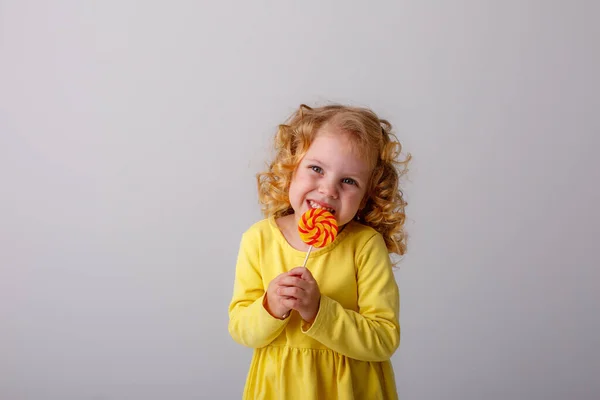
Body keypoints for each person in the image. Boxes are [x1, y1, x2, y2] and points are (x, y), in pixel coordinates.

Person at [228, 103, 410, 399]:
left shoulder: (364, 246)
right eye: (316, 169)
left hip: (350, 389)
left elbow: (383, 339)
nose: (328, 190)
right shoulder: (258, 240)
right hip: (280, 389)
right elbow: (241, 329)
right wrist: (270, 306)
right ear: (291, 167)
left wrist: (319, 311)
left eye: (349, 181)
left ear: (367, 197)